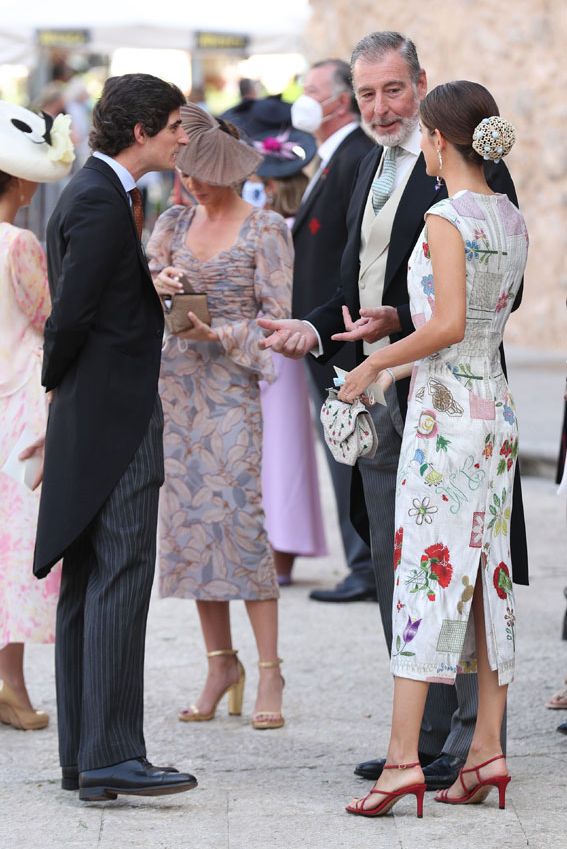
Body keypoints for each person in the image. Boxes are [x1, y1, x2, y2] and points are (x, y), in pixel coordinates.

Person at [258, 31, 529, 792]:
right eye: (366, 93)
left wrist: (389, 348)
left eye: (392, 91)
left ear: (422, 87)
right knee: (401, 565)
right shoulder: (365, 160)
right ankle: (434, 740)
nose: (378, 107)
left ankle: (456, 743)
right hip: (412, 399)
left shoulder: (473, 178)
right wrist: (334, 327)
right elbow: (356, 270)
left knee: (454, 571)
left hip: (440, 402)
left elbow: (474, 307)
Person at [339, 79, 528, 817]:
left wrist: (374, 361)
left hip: (445, 420)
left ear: (439, 140)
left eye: (422, 133)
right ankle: (485, 749)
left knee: (427, 577)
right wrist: (401, 327)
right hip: (495, 412)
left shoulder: (445, 215)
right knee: (488, 576)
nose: (419, 145)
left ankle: (400, 762)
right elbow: (476, 320)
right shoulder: (508, 216)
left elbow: (446, 324)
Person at [33, 74, 197, 802]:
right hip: (114, 416)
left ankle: (86, 757)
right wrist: (60, 385)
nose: (182, 137)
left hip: (93, 412)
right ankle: (111, 754)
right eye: (174, 125)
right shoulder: (100, 200)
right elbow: (67, 319)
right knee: (119, 577)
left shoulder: (93, 193)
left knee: (91, 584)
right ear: (141, 132)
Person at [147, 103, 292, 730]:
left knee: (240, 525)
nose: (191, 185)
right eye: (184, 172)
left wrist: (218, 333)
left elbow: (278, 327)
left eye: (202, 174)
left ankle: (268, 671)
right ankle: (218, 663)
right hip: (175, 391)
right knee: (194, 530)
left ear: (231, 171)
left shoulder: (267, 229)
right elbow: (139, 297)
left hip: (230, 391)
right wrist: (158, 282)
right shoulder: (171, 222)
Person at [0, 101, 73, 731]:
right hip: (17, 397)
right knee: (15, 542)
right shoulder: (17, 242)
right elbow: (46, 318)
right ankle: (10, 684)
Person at [290, 59, 375, 603]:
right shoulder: (331, 157)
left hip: (335, 331)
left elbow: (351, 253)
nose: (303, 99)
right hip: (319, 328)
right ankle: (360, 560)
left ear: (339, 101)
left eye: (312, 90)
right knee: (337, 446)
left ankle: (364, 563)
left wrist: (322, 324)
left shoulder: (353, 155)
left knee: (347, 446)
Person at [252, 126, 327, 585]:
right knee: (289, 448)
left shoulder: (272, 229)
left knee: (276, 448)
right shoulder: (302, 227)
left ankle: (275, 549)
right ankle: (285, 547)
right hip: (293, 346)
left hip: (274, 342)